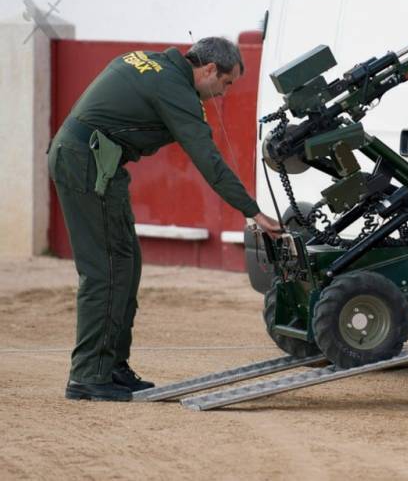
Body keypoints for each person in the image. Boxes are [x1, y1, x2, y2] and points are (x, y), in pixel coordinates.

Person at [48, 37, 282, 402]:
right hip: (87, 164)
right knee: (106, 270)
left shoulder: (152, 63)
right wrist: (253, 211)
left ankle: (112, 367)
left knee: (126, 264)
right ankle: (89, 375)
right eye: (226, 83)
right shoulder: (175, 89)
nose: (222, 94)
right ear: (208, 70)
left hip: (97, 162)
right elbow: (209, 161)